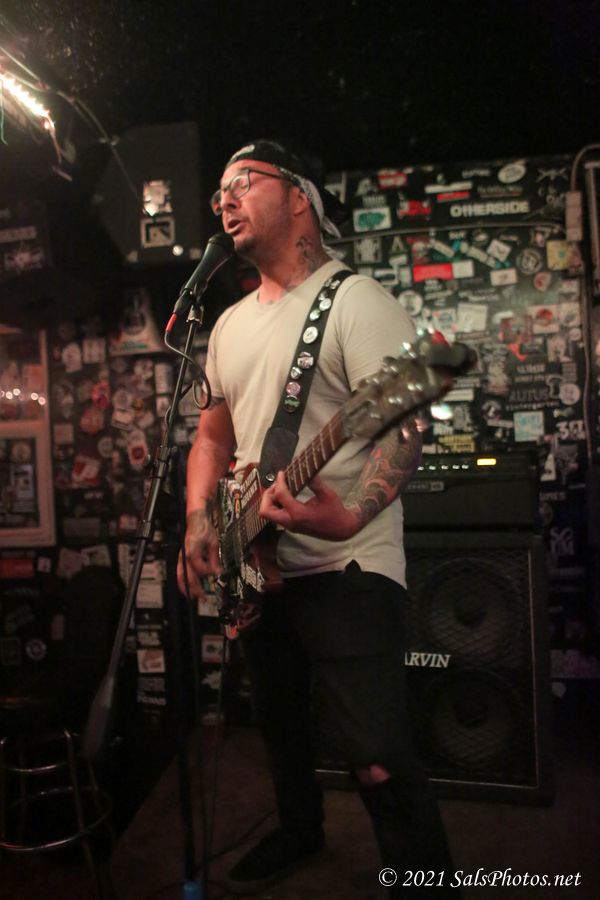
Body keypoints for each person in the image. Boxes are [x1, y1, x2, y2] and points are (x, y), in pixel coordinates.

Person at [178, 139, 456, 896]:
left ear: (299, 195)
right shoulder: (228, 325)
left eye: (244, 182)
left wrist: (350, 512)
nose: (225, 199)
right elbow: (211, 439)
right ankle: (300, 831)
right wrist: (200, 520)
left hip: (347, 561)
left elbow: (403, 425)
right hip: (254, 561)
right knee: (280, 730)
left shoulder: (356, 302)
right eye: (219, 192)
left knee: (375, 753)